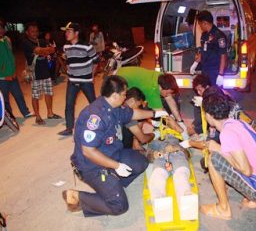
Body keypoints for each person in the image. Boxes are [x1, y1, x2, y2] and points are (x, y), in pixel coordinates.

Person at [62, 75, 168, 216]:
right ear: (114, 95)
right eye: (124, 94)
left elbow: (132, 114)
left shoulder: (114, 106)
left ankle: (113, 186)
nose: (125, 97)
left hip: (112, 153)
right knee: (119, 207)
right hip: (92, 166)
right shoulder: (95, 117)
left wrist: (155, 113)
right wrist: (116, 166)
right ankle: (77, 196)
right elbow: (88, 151)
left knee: (141, 162)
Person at [183, 95, 256, 220]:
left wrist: (218, 148)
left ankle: (223, 209)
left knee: (214, 159)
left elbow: (246, 170)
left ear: (209, 115)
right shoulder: (237, 122)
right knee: (223, 155)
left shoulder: (227, 134)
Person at [58, 22, 98, 136]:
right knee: (69, 105)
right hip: (72, 81)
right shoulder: (66, 47)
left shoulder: (87, 46)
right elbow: (67, 61)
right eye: (66, 31)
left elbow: (96, 61)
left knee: (93, 104)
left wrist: (92, 76)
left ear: (77, 33)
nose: (66, 33)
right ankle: (69, 128)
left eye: (69, 31)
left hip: (86, 81)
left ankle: (100, 125)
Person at [23, 22, 61, 125]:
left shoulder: (42, 41)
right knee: (35, 96)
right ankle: (38, 116)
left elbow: (53, 49)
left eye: (36, 31)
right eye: (32, 31)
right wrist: (44, 51)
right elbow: (40, 51)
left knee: (49, 93)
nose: (35, 33)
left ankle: (50, 113)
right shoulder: (26, 43)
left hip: (46, 72)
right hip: (35, 74)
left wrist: (43, 50)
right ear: (27, 32)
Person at [0, 20, 33, 118]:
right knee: (5, 100)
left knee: (19, 95)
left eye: (1, 28)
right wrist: (2, 77)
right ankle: (9, 118)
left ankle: (25, 112)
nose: (1, 30)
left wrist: (14, 70)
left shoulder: (6, 40)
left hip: (12, 75)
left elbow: (10, 56)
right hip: (3, 79)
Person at [196, 10, 227, 86]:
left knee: (215, 93)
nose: (200, 26)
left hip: (215, 70)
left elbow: (223, 55)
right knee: (206, 91)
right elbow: (203, 49)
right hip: (205, 69)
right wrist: (195, 63)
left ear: (205, 23)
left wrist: (220, 74)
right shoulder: (204, 35)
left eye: (200, 24)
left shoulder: (219, 36)